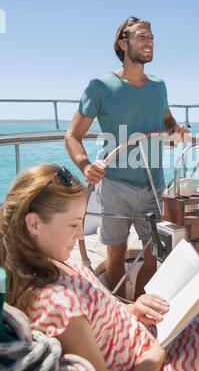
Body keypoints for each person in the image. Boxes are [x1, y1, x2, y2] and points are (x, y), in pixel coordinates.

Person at [2, 163, 199, 371]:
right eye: (72, 225)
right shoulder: (55, 305)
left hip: (160, 340)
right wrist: (159, 351)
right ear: (34, 224)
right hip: (166, 368)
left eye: (81, 222)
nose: (81, 234)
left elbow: (101, 317)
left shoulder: (58, 263)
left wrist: (133, 311)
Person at [65, 16, 189, 300]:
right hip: (114, 185)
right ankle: (118, 309)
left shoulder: (159, 87)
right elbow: (72, 135)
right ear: (123, 43)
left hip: (154, 187)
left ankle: (143, 309)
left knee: (155, 255)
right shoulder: (100, 86)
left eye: (152, 36)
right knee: (116, 251)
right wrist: (86, 166)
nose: (150, 41)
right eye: (142, 36)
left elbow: (168, 125)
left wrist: (177, 131)